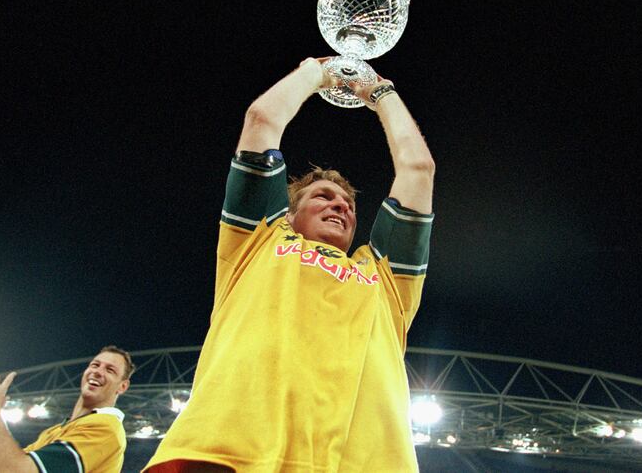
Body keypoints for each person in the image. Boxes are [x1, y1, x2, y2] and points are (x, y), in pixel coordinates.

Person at [144, 57, 435, 472]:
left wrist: (382, 93)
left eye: (348, 205)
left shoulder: (385, 278)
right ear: (289, 213)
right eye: (322, 197)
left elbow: (418, 170)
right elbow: (262, 120)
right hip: (229, 453)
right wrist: (316, 72)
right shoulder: (258, 241)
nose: (340, 205)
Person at [0, 345, 134, 473]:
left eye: (110, 370)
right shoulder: (55, 431)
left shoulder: (105, 428)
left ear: (122, 387)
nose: (98, 372)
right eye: (95, 365)